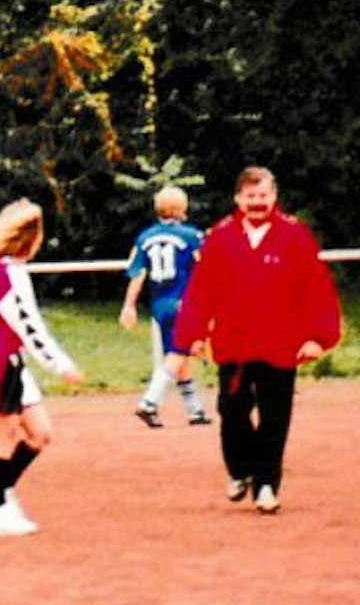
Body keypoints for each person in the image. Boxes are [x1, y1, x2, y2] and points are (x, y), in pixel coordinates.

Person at [172, 167, 343, 514]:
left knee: (275, 417)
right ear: (238, 199)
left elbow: (317, 290)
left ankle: (266, 484)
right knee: (231, 412)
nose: (257, 203)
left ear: (274, 196)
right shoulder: (220, 238)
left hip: (281, 344)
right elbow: (200, 291)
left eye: (263, 196)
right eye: (250, 197)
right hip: (234, 344)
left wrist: (318, 338)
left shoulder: (295, 237)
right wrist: (192, 335)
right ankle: (239, 470)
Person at [0, 200, 85, 537]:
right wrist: (62, 365)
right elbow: (31, 327)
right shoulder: (10, 275)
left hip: (8, 361)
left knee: (40, 433)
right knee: (4, 435)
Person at [119, 186, 211, 427]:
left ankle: (195, 410)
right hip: (184, 302)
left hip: (159, 304)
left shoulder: (145, 237)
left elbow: (137, 274)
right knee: (178, 352)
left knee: (177, 351)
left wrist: (129, 305)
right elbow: (206, 271)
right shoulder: (192, 236)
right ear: (182, 208)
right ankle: (149, 402)